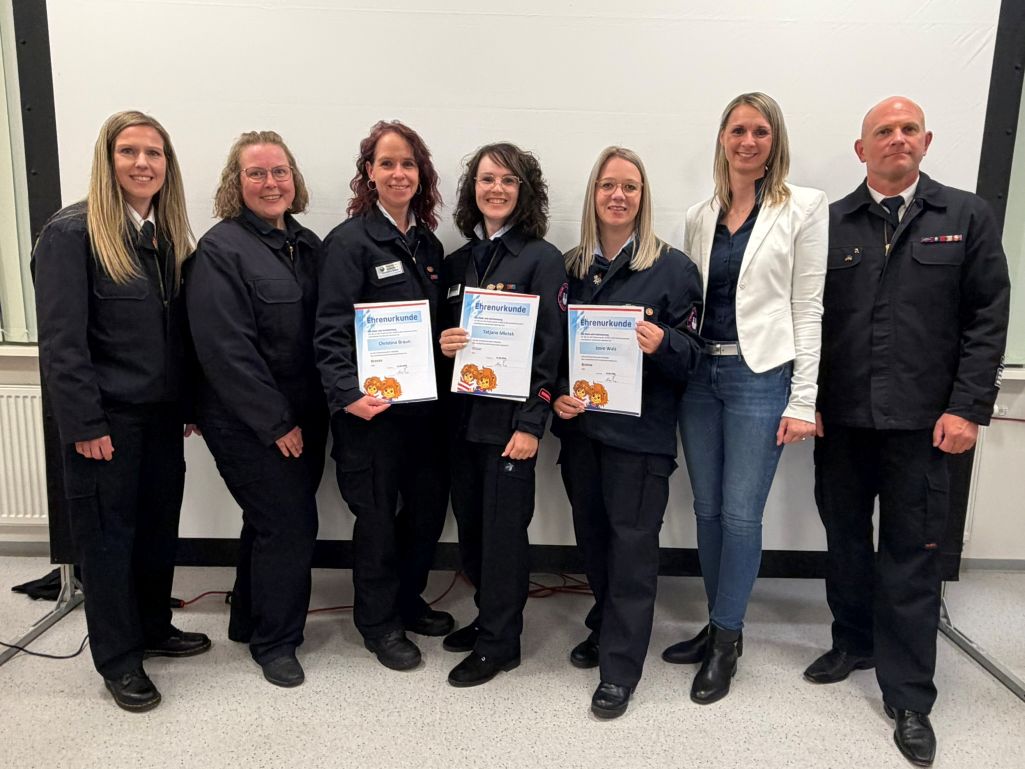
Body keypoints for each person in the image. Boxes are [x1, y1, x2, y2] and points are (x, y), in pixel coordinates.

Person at [807, 96, 1009, 767]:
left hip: (924, 426)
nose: (897, 138)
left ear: (926, 141)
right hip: (841, 421)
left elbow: (987, 318)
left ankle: (909, 695)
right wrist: (806, 401)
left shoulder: (965, 216)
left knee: (911, 555)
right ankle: (852, 640)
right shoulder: (829, 223)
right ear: (861, 149)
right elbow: (809, 322)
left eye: (907, 129)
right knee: (843, 541)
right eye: (883, 131)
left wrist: (968, 407)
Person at [33, 110, 209, 712]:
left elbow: (175, 335)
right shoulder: (71, 233)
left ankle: (153, 628)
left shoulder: (165, 235)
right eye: (129, 151)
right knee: (108, 543)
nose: (142, 163)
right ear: (107, 161)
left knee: (157, 533)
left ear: (167, 165)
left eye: (154, 153)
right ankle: (118, 659)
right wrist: (84, 424)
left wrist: (187, 403)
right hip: (105, 421)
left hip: (160, 418)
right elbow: (62, 344)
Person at [662, 92, 828, 705]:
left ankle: (728, 639)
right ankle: (716, 625)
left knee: (739, 514)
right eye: (738, 130)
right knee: (706, 511)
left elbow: (808, 307)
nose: (748, 141)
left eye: (760, 131)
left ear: (774, 140)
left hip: (760, 377)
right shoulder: (699, 215)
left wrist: (803, 400)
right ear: (723, 138)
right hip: (700, 376)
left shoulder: (804, 207)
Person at [553, 147, 702, 718]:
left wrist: (664, 343)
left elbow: (694, 360)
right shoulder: (569, 267)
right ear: (593, 194)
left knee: (633, 553)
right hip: (583, 435)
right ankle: (607, 626)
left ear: (643, 197)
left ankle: (619, 670)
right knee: (593, 544)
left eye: (630, 187)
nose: (618, 196)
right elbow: (552, 350)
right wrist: (558, 393)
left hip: (640, 441)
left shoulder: (673, 269)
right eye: (608, 185)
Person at [186, 131, 327, 687]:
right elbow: (226, 350)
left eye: (280, 171)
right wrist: (276, 423)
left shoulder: (307, 244)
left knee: (268, 521)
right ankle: (276, 642)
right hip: (248, 420)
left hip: (306, 413)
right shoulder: (220, 251)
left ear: (294, 178)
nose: (271, 183)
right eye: (257, 173)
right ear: (236, 183)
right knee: (290, 524)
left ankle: (247, 619)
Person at [315, 120, 451, 671]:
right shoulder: (349, 242)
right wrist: (347, 393)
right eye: (387, 163)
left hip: (424, 414)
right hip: (369, 415)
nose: (399, 173)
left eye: (408, 164)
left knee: (425, 513)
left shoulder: (429, 245)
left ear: (421, 175)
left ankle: (408, 600)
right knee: (375, 520)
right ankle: (378, 623)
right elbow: (328, 329)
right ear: (368, 173)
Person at [438, 142, 566, 687]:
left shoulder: (542, 259)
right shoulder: (457, 263)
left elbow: (551, 351)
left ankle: (500, 644)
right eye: (487, 179)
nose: (497, 188)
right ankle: (488, 617)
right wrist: (443, 344)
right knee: (472, 530)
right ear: (473, 189)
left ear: (524, 192)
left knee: (504, 536)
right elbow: (441, 344)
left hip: (510, 428)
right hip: (461, 424)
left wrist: (532, 424)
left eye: (509, 180)